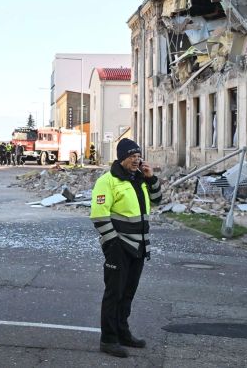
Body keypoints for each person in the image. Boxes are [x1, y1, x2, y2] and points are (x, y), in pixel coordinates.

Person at [89, 138, 162, 358]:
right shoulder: (108, 181)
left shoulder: (139, 179)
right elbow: (99, 215)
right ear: (122, 157)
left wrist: (151, 179)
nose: (136, 160)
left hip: (139, 247)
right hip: (119, 247)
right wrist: (113, 244)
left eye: (138, 156)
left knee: (128, 293)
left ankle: (123, 333)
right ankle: (109, 340)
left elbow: (157, 201)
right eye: (132, 156)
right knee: (114, 294)